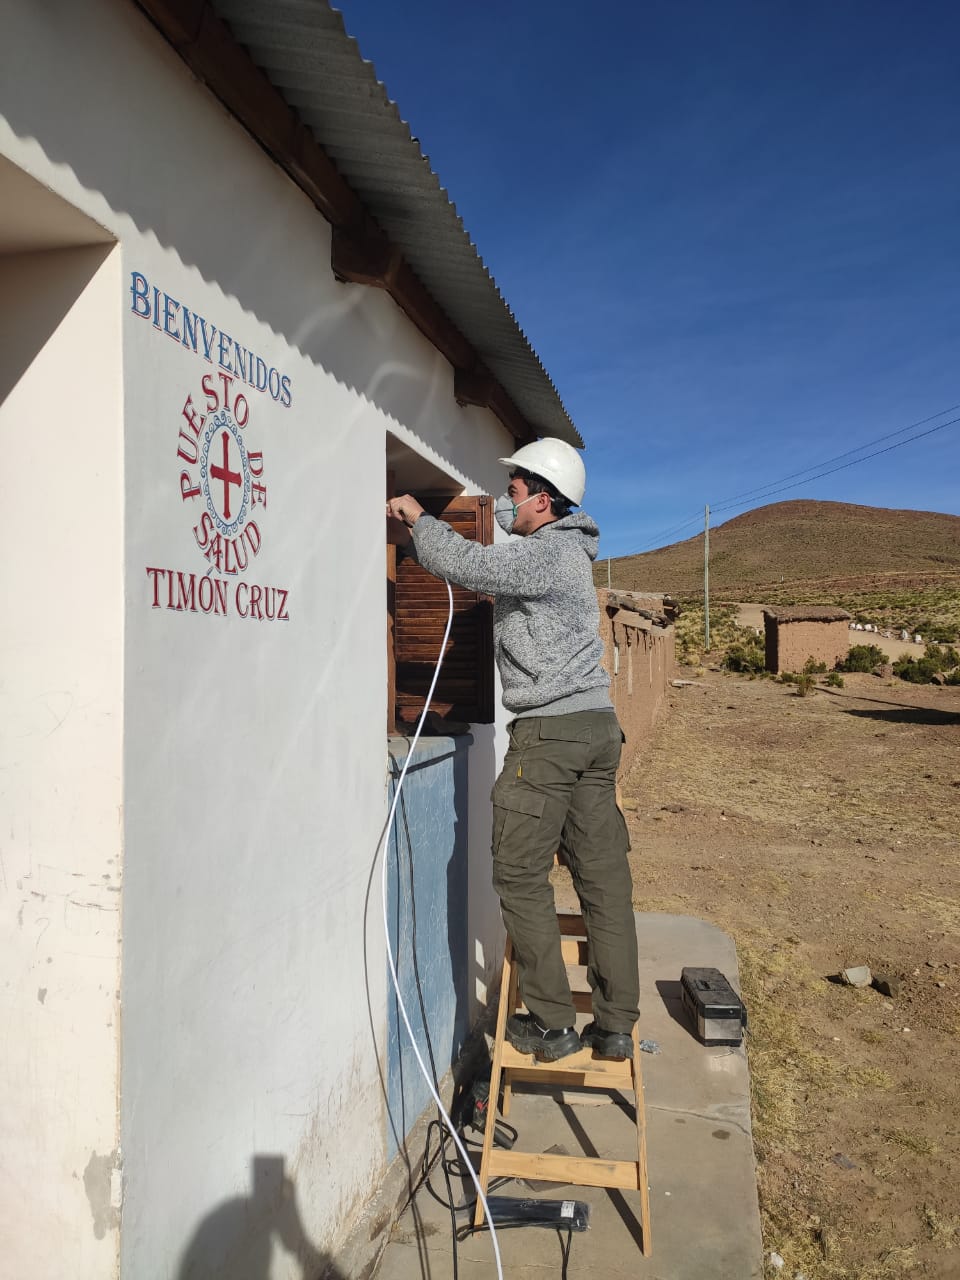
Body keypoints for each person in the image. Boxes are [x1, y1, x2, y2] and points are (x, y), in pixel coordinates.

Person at [386, 438, 639, 1061]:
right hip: (595, 729)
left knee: (519, 872)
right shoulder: (565, 545)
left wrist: (420, 519)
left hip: (551, 737)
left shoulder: (545, 557)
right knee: (603, 880)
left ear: (546, 501)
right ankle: (614, 1027)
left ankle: (552, 1022)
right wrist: (488, 504)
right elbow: (508, 517)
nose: (507, 500)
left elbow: (472, 568)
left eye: (518, 489)